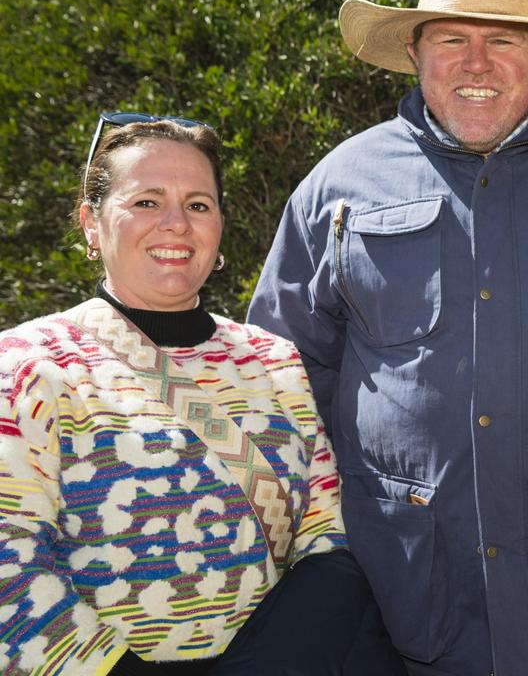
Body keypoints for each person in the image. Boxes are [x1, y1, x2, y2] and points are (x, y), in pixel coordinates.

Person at [247, 0, 528, 676]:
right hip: (400, 593)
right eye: (452, 40)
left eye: (502, 40)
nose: (476, 63)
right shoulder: (337, 185)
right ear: (415, 51)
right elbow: (280, 376)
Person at [0, 113, 407, 675]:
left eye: (198, 204)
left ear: (219, 227)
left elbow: (326, 532)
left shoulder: (272, 359)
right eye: (146, 201)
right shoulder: (28, 365)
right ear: (91, 223)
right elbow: (9, 561)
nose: (175, 223)